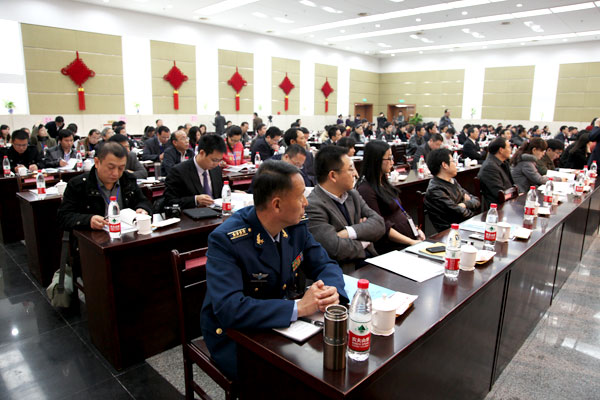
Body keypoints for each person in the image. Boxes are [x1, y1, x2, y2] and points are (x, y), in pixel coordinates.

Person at [201, 160, 347, 380]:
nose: (306, 203)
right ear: (277, 205)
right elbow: (230, 308)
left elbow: (326, 264)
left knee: (327, 366)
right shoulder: (227, 239)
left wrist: (329, 292)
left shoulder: (296, 226)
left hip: (282, 326)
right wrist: (298, 307)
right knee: (290, 380)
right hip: (236, 336)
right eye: (300, 196)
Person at [306, 145, 385, 269]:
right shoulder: (313, 205)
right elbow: (335, 248)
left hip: (372, 261)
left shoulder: (352, 194)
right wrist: (365, 240)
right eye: (350, 169)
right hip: (347, 270)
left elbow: (379, 224)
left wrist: (349, 232)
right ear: (333, 176)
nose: (355, 174)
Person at [57, 142, 151, 235]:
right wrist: (88, 220)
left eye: (121, 168)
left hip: (127, 236)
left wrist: (142, 209)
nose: (116, 173)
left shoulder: (128, 179)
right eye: (111, 167)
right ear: (97, 162)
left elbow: (143, 201)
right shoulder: (78, 184)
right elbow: (63, 217)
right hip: (94, 239)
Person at [357, 141, 425, 253]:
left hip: (408, 240)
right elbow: (380, 226)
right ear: (376, 160)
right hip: (393, 247)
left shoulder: (384, 183)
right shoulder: (366, 190)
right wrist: (410, 242)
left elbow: (401, 212)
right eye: (389, 158)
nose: (392, 162)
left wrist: (416, 231)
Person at [163, 134, 226, 209]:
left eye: (219, 160)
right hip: (191, 214)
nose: (216, 164)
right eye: (214, 160)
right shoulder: (179, 171)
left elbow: (219, 194)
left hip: (216, 212)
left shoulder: (216, 170)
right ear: (202, 153)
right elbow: (170, 202)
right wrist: (195, 200)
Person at [425, 149, 481, 232]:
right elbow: (458, 213)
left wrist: (464, 204)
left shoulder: (452, 181)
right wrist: (472, 211)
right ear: (444, 165)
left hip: (464, 225)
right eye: (453, 161)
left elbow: (476, 200)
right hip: (450, 232)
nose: (456, 164)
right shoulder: (435, 189)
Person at [478, 137, 515, 209]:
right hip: (499, 207)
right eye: (508, 147)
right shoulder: (489, 167)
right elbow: (499, 194)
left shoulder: (503, 163)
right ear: (501, 150)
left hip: (509, 201)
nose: (511, 150)